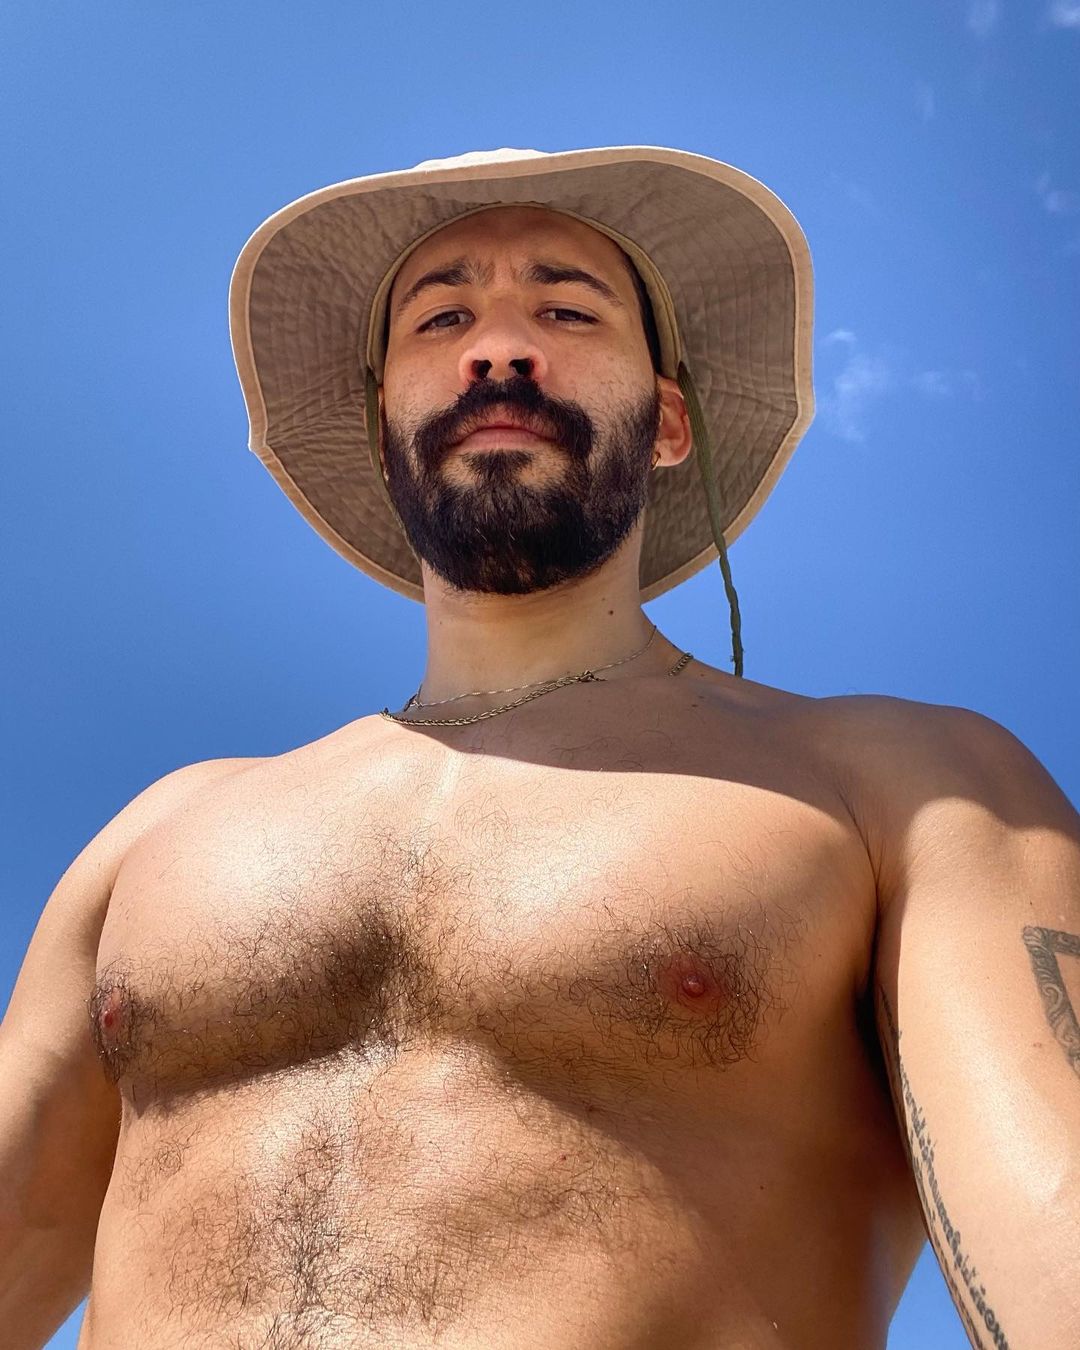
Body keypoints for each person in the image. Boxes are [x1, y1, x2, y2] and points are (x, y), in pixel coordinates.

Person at [2, 147, 1077, 1350]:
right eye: (442, 318)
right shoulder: (161, 834)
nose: (499, 350)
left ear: (669, 421)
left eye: (565, 311)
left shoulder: (903, 789)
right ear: (379, 427)